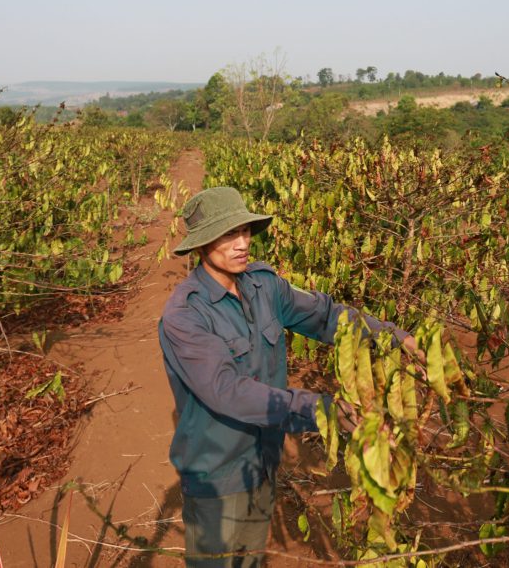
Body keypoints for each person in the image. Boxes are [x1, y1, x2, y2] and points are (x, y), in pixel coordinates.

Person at [158, 186, 419, 567]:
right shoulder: (185, 316)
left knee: (250, 555)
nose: (242, 243)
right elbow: (227, 392)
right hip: (218, 474)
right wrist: (320, 409)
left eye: (245, 231)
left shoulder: (265, 285)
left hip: (263, 459)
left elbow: (328, 317)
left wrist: (396, 338)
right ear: (201, 245)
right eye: (228, 234)